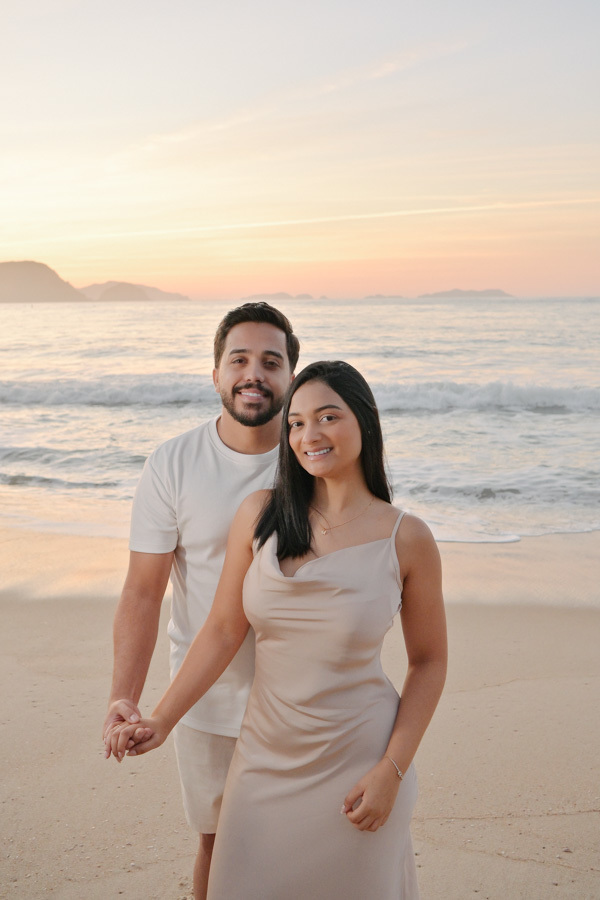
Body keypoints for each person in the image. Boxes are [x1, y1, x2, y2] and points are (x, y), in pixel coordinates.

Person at [110, 360, 447, 899]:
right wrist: (163, 719)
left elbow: (430, 661)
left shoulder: (406, 538)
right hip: (262, 760)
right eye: (295, 422)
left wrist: (393, 770)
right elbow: (222, 630)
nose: (309, 435)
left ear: (364, 421)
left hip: (358, 762)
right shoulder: (260, 514)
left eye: (328, 417)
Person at [102, 301, 299, 899]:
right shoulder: (174, 463)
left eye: (272, 361)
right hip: (205, 696)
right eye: (238, 359)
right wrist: (125, 697)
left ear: (293, 374)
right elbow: (142, 592)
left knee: (302, 846)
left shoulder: (315, 458)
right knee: (219, 843)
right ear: (215, 373)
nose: (254, 374)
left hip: (303, 697)